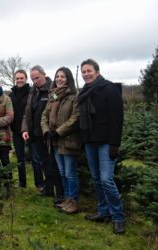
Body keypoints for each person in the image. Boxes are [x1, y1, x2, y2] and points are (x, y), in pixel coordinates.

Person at [78, 59, 125, 234]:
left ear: (97, 71)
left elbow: (117, 119)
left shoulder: (110, 89)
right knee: (97, 179)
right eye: (83, 71)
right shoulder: (84, 92)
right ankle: (103, 211)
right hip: (90, 142)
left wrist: (115, 144)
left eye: (89, 71)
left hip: (106, 143)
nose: (86, 74)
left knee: (106, 179)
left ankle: (118, 217)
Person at [41, 67, 81, 214]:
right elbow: (44, 116)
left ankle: (73, 201)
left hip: (68, 140)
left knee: (70, 172)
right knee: (62, 172)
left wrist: (58, 132)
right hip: (55, 141)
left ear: (68, 78)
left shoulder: (74, 96)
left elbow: (75, 118)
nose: (59, 79)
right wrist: (47, 131)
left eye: (62, 76)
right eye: (57, 76)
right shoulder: (53, 96)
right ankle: (66, 199)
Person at [22, 65, 63, 198]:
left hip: (48, 133)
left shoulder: (52, 89)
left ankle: (58, 191)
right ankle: (49, 188)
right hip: (35, 133)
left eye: (37, 78)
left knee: (52, 162)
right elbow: (27, 112)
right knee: (44, 162)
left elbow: (57, 110)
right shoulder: (33, 91)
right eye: (33, 79)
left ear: (44, 74)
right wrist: (25, 129)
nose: (35, 81)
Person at [9, 70, 31, 188]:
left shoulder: (31, 92)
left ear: (26, 79)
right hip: (16, 130)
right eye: (17, 78)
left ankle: (40, 184)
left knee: (36, 158)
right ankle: (22, 182)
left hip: (30, 129)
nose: (19, 80)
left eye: (21, 78)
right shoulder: (11, 94)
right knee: (19, 157)